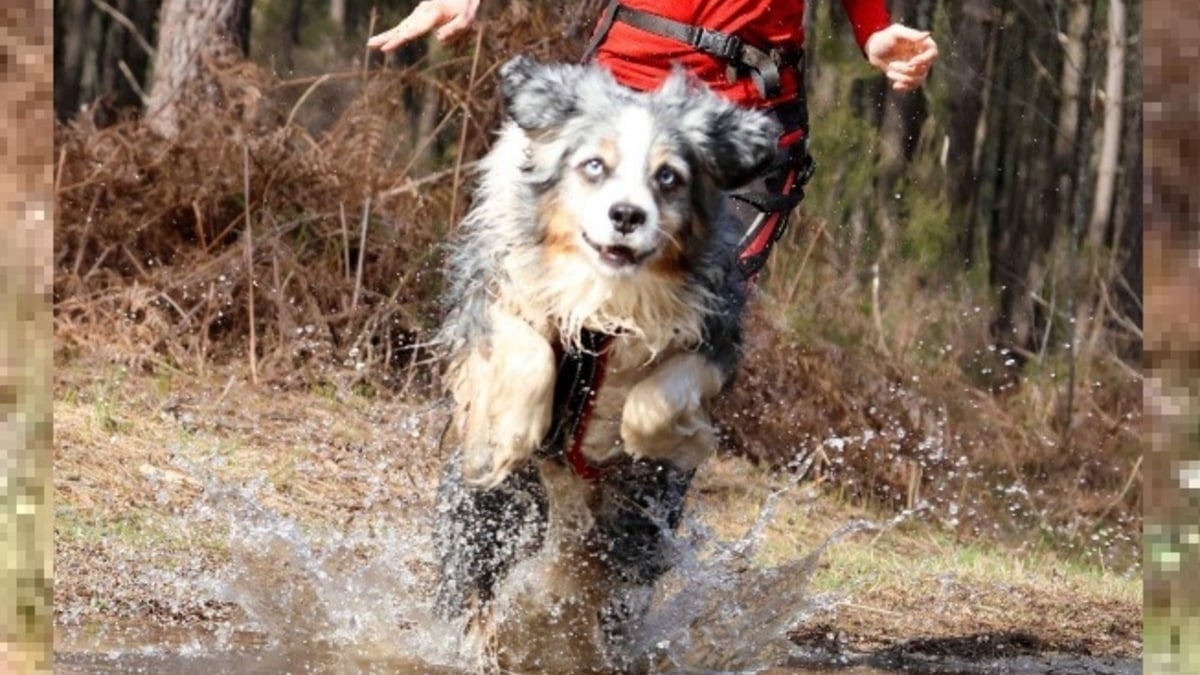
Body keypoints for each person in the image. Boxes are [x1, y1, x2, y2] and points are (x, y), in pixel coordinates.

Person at [368, 0, 938, 278]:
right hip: (615, 97)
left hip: (738, 131)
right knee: (527, 284)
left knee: (699, 316)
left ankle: (646, 500)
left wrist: (875, 30)